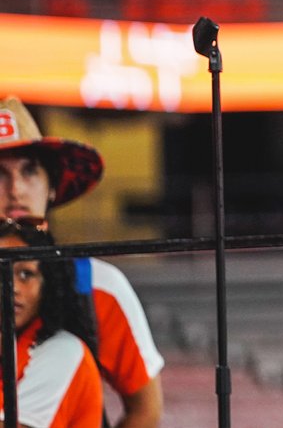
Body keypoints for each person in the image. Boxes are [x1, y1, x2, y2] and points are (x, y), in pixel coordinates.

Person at [0, 97, 164, 427]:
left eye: (30, 171)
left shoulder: (98, 286)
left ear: (51, 188)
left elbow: (146, 411)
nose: (16, 189)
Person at [0, 220, 104, 428]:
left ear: (47, 284)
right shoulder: (8, 345)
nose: (12, 287)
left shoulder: (65, 351)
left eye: (26, 274)